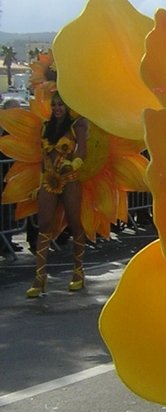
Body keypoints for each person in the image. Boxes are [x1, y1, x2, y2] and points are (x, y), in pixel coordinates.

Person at [26, 90, 88, 297]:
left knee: (74, 223)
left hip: (69, 180)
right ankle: (39, 277)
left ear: (67, 106)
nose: (57, 109)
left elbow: (82, 151)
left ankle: (78, 272)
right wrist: (39, 184)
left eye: (61, 105)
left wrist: (74, 164)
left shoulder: (77, 125)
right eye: (54, 105)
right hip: (49, 180)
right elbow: (43, 159)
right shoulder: (46, 127)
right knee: (44, 225)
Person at [0, 97, 23, 257]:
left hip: (10, 176)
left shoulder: (17, 129)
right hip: (4, 174)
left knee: (8, 212)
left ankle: (7, 240)